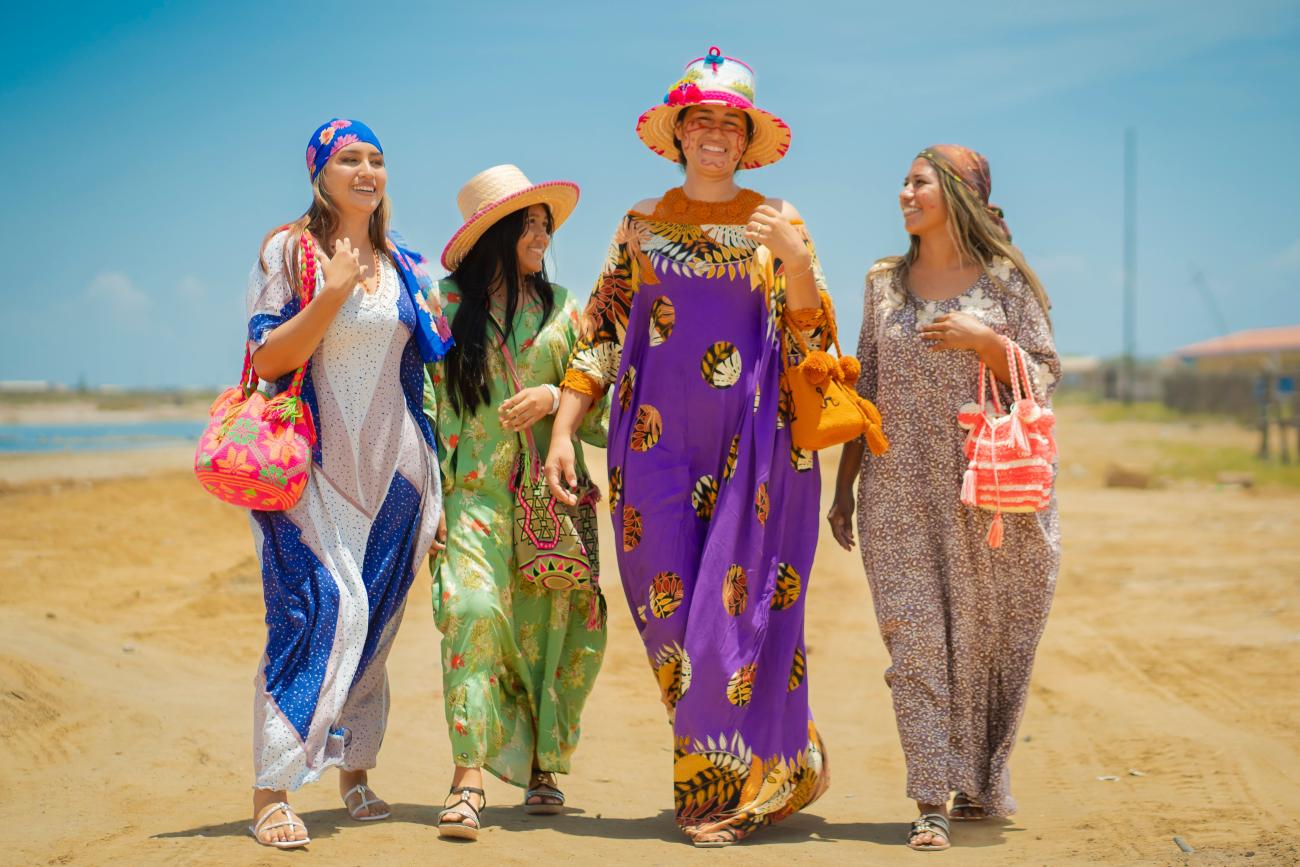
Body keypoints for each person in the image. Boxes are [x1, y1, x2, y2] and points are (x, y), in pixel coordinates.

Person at [545, 47, 831, 848]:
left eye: (728, 124)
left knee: (726, 620)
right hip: (653, 449)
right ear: (678, 135)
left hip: (755, 455)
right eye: (698, 121)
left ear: (747, 140)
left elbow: (814, 339)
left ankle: (713, 795)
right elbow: (598, 332)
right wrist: (566, 427)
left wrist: (800, 263)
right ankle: (787, 758)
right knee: (666, 614)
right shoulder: (640, 225)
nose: (713, 135)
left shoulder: (778, 222)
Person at [826, 144, 1061, 852]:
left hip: (988, 495)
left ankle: (980, 778)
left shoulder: (1007, 283)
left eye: (919, 182)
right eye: (902, 180)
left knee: (989, 639)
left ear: (957, 194)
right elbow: (864, 389)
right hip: (896, 489)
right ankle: (930, 797)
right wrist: (845, 486)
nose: (903, 192)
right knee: (916, 640)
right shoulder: (881, 284)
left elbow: (1046, 373)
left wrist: (988, 343)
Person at [242, 118, 451, 849]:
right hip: (310, 472)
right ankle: (272, 788)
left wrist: (437, 486)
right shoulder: (290, 250)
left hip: (398, 474)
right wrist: (330, 295)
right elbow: (267, 358)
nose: (366, 170)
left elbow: (416, 380)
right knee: (317, 613)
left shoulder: (401, 263)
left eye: (377, 159)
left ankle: (356, 772)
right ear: (320, 174)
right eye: (349, 159)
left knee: (378, 627)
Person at [426, 165, 607, 842]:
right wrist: (426, 500)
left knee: (551, 632)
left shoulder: (565, 310)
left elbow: (599, 406)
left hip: (549, 501)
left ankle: (542, 765)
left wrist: (556, 398)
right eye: (528, 224)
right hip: (468, 494)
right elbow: (424, 406)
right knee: (472, 613)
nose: (541, 235)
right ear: (495, 234)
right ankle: (467, 774)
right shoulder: (443, 310)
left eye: (544, 224)